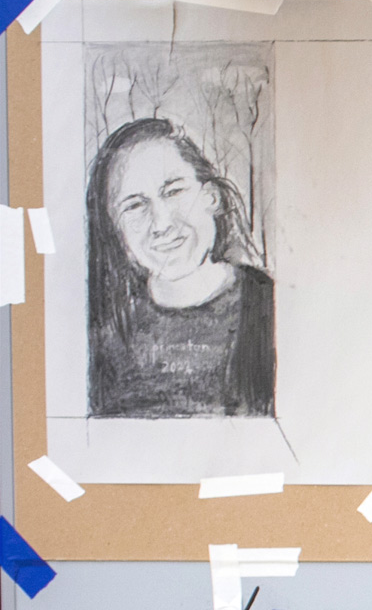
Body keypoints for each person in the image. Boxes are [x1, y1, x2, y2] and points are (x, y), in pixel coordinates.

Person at [85, 116, 275, 419]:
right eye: (134, 205)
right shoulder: (104, 336)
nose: (161, 224)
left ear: (211, 197)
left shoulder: (269, 306)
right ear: (115, 231)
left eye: (174, 191)